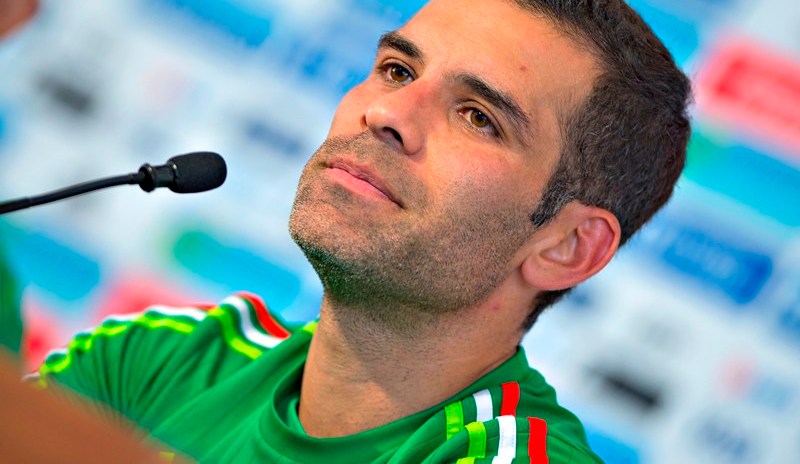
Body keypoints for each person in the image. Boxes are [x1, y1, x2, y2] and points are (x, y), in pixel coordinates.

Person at [28, 0, 691, 462]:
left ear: (566, 247)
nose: (386, 113)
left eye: (478, 116)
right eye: (398, 70)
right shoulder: (159, 362)